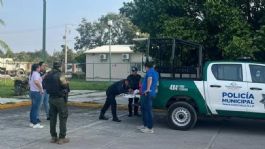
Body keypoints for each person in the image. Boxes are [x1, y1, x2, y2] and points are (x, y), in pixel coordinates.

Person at [44, 61, 70, 144]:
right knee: (63, 117)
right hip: (60, 99)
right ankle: (62, 138)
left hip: (51, 98)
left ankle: (53, 137)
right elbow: (65, 86)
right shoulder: (61, 75)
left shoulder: (48, 75)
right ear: (59, 67)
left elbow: (44, 84)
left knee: (53, 118)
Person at [138, 62, 159, 133]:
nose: (145, 69)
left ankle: (150, 128)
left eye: (145, 68)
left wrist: (147, 89)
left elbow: (149, 79)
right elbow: (156, 83)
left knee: (147, 110)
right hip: (149, 93)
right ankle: (145, 125)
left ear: (147, 67)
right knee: (143, 109)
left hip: (147, 93)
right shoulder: (156, 72)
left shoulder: (150, 71)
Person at [29, 63, 44, 129]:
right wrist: (41, 89)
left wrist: (45, 76)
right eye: (39, 67)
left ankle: (32, 122)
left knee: (33, 108)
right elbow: (36, 82)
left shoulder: (32, 73)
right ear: (37, 68)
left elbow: (39, 80)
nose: (40, 68)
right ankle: (35, 123)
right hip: (36, 92)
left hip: (32, 92)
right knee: (35, 108)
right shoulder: (36, 74)